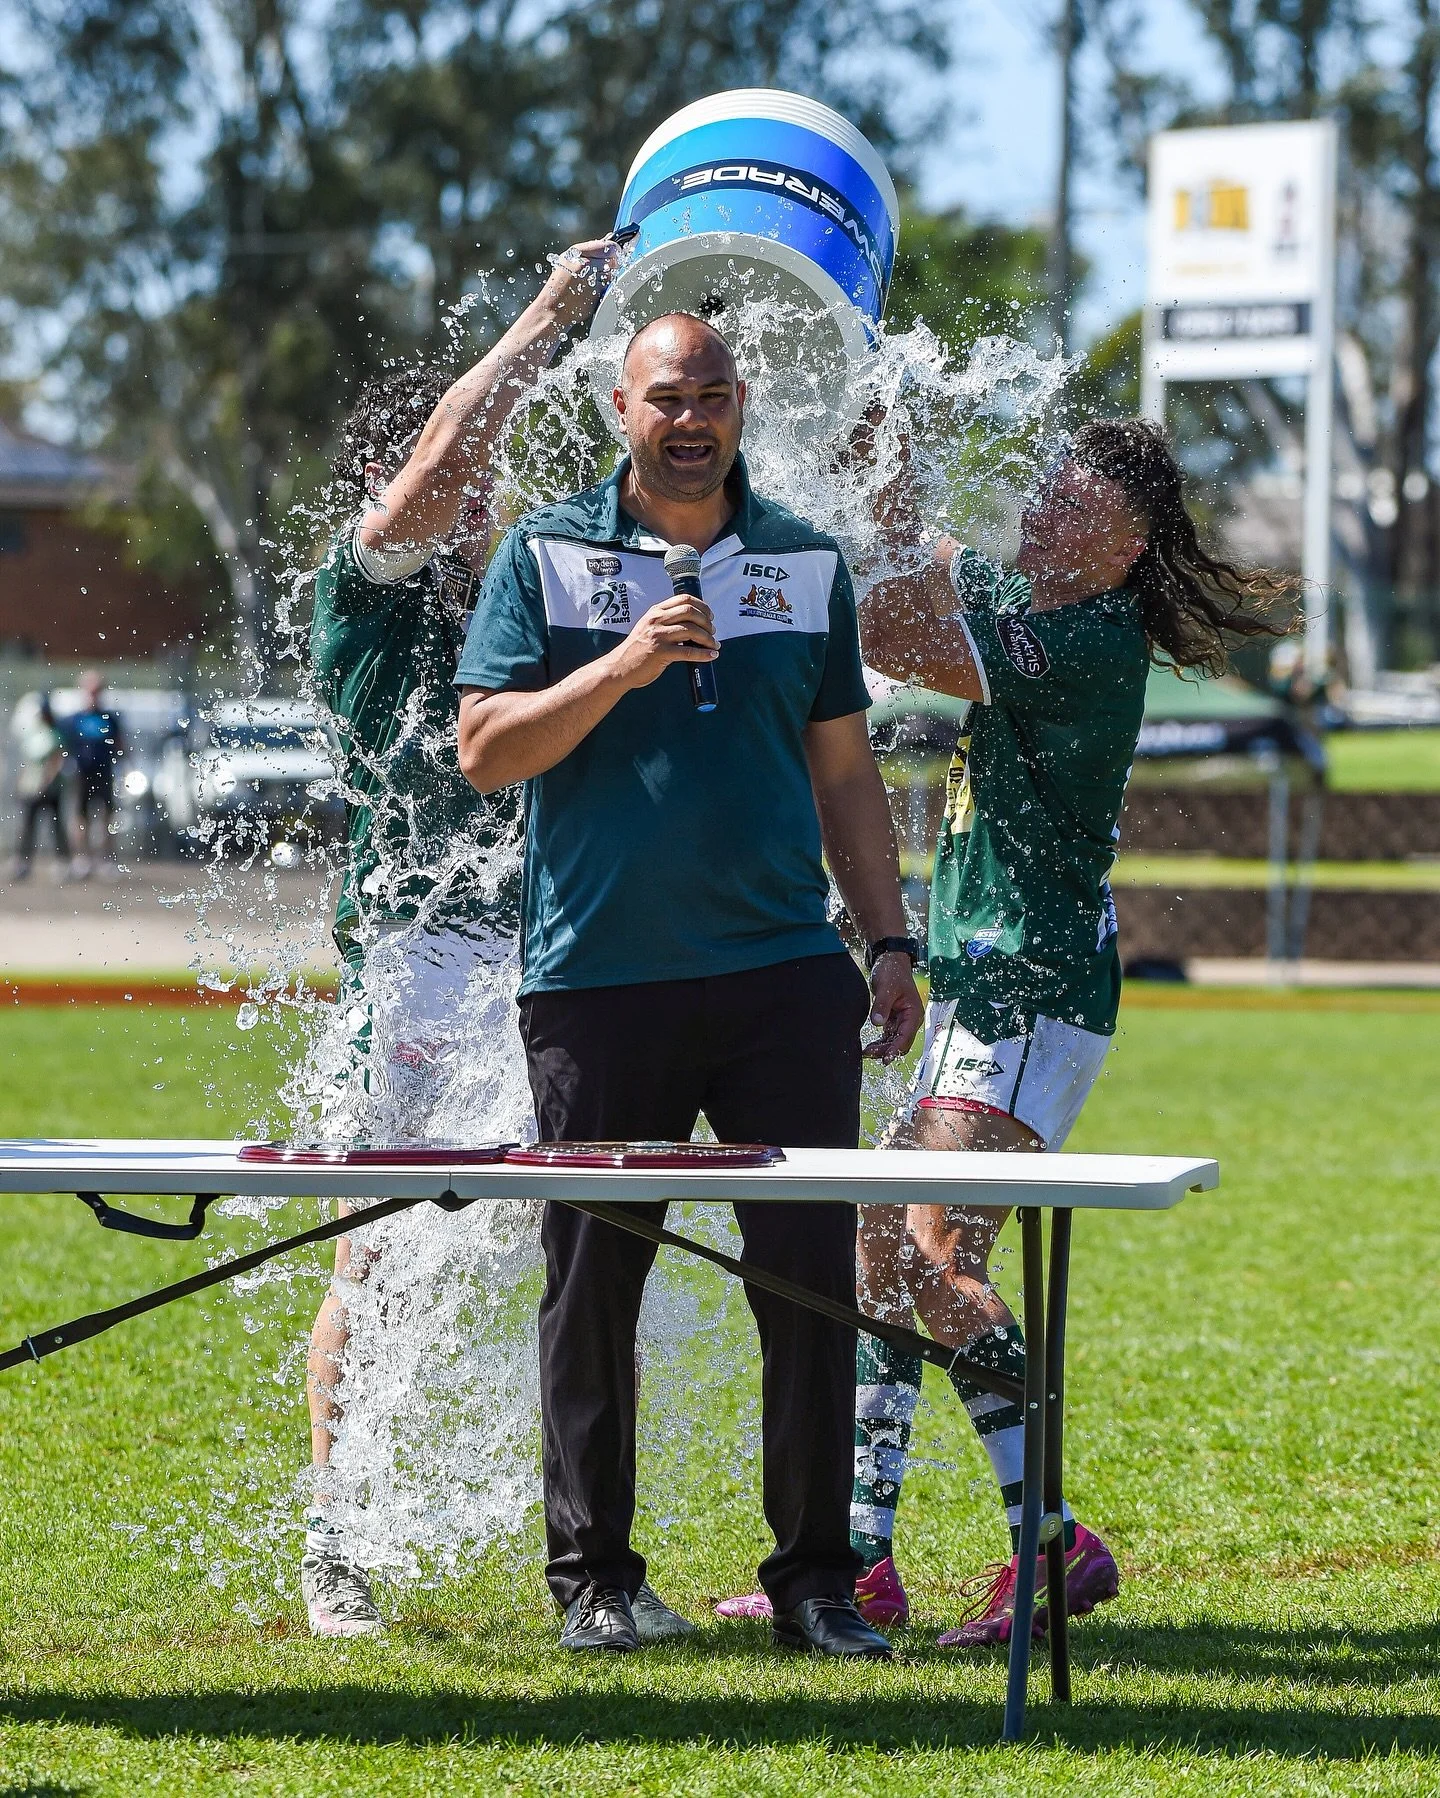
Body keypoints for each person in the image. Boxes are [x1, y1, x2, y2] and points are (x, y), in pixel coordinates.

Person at [717, 417, 1294, 1644]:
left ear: (1126, 545)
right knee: (879, 1242)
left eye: (1065, 507)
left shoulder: (1086, 636)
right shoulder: (1035, 594)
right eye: (1039, 495)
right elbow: (900, 564)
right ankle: (866, 1558)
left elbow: (885, 626)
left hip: (1031, 990)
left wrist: (887, 517)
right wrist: (883, 442)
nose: (1033, 517)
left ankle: (1052, 1541)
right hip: (982, 981)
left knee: (932, 1242)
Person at [456, 312, 923, 1657]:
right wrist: (624, 660)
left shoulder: (802, 560)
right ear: (621, 407)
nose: (692, 417)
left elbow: (844, 771)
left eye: (714, 394)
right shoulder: (545, 552)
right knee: (595, 1278)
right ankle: (594, 1575)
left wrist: (888, 941)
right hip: (600, 976)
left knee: (810, 1280)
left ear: (739, 405)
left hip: (784, 975)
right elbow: (487, 749)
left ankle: (818, 1581)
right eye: (668, 396)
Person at [299, 237, 635, 1639]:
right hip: (422, 968)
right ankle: (334, 1539)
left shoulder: (522, 608)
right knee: (376, 1258)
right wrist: (547, 325)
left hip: (560, 963)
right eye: (471, 478)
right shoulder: (365, 594)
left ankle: (593, 1564)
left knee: (592, 1251)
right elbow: (434, 478)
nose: (487, 503)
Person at [65, 671, 124, 878]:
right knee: (81, 817)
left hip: (105, 773)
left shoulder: (109, 718)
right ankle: (82, 859)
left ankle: (107, 859)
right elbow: (65, 746)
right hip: (82, 773)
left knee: (107, 816)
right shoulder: (74, 719)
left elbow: (120, 744)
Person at [11, 693, 71, 878]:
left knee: (56, 826)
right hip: (31, 787)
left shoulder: (55, 734)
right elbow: (28, 762)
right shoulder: (34, 733)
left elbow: (57, 760)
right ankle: (23, 862)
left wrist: (47, 782)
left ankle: (63, 863)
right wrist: (22, 783)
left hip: (50, 789)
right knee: (28, 826)